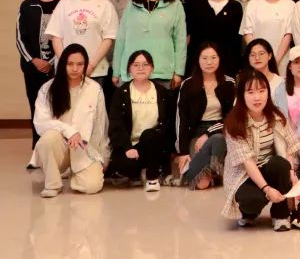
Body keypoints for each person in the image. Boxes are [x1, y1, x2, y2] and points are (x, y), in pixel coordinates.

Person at [222, 69, 300, 231]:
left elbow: (289, 149)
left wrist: (291, 173)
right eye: (250, 92)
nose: (257, 97)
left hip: (269, 168)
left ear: (268, 92)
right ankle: (249, 213)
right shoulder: (234, 124)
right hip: (243, 176)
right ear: (241, 95)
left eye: (261, 91)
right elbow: (248, 163)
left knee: (281, 165)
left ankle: (281, 215)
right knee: (251, 199)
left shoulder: (277, 116)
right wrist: (267, 189)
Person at [32, 44, 108, 197]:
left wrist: (104, 157)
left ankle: (75, 171)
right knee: (47, 138)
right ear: (63, 64)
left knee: (91, 186)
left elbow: (101, 127)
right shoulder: (48, 89)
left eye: (80, 64)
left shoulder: (94, 89)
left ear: (85, 65)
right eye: (70, 64)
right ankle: (53, 184)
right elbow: (41, 122)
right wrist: (69, 131)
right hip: (58, 147)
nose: (75, 68)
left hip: (83, 148)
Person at [45, 0, 118, 103]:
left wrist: (90, 65)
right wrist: (66, 64)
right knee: (65, 107)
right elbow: (56, 36)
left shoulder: (105, 5)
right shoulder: (64, 3)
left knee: (92, 108)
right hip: (66, 71)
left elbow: (108, 38)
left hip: (95, 70)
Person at [112, 0, 188, 89]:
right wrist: (116, 71)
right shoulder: (132, 3)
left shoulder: (175, 4)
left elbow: (180, 41)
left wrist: (179, 72)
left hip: (162, 72)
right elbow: (121, 38)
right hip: (132, 71)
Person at [107, 50, 174, 192]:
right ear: (129, 69)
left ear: (152, 68)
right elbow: (116, 124)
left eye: (145, 64)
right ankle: (140, 170)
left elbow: (168, 123)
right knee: (123, 168)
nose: (140, 68)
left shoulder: (161, 92)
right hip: (131, 146)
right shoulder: (121, 93)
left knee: (150, 135)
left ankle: (152, 178)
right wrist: (127, 147)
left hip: (155, 143)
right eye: (136, 65)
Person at [175, 42, 236, 189]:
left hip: (222, 130)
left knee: (218, 139)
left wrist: (208, 134)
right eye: (204, 58)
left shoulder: (229, 83)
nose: (209, 62)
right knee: (201, 184)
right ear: (198, 60)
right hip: (196, 134)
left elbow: (231, 117)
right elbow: (181, 120)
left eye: (213, 57)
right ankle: (216, 171)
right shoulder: (188, 85)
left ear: (219, 59)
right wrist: (182, 152)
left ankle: (215, 170)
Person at [17, 0, 61, 156]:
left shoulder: (65, 4)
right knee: (36, 106)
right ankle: (38, 149)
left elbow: (67, 36)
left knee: (58, 106)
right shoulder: (28, 5)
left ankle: (57, 149)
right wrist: (34, 60)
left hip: (58, 66)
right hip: (32, 67)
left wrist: (51, 61)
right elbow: (20, 37)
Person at [185, 0, 244, 77]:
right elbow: (188, 35)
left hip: (227, 64)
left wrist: (237, 67)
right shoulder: (195, 4)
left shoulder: (235, 7)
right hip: (198, 63)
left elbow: (237, 41)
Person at [240, 0, 296, 67]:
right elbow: (247, 32)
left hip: (282, 61)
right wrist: (259, 57)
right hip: (257, 61)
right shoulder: (253, 4)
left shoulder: (290, 5)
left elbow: (288, 35)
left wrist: (274, 62)